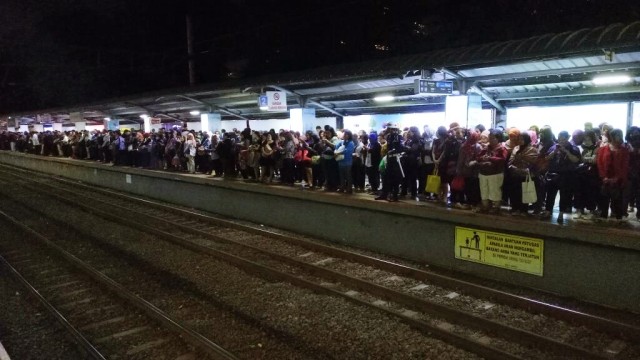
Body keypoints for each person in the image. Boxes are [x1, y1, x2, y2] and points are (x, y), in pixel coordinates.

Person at [597, 128, 629, 223]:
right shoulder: (603, 148)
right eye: (616, 135)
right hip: (605, 178)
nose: (618, 137)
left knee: (618, 198)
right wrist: (603, 177)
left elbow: (625, 165)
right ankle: (603, 215)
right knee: (604, 197)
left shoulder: (624, 150)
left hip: (618, 179)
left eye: (620, 135)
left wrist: (617, 178)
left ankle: (618, 217)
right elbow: (600, 163)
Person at [375, 123, 405, 202]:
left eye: (392, 129)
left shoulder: (399, 137)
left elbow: (401, 148)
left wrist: (394, 150)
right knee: (386, 177)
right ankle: (384, 194)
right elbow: (388, 147)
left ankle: (394, 196)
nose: (390, 130)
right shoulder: (389, 137)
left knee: (395, 178)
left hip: (396, 159)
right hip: (389, 158)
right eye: (390, 129)